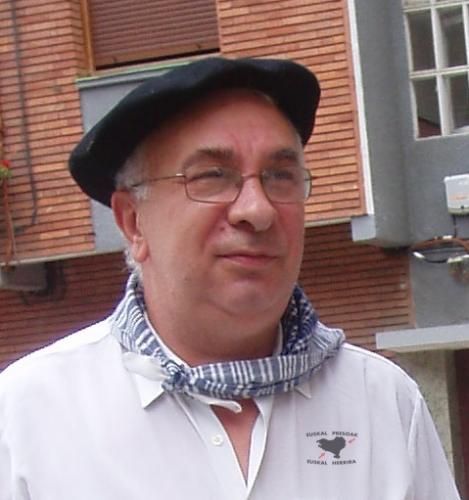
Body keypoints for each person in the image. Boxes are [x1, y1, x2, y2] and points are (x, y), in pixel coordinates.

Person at [0, 58, 461, 499]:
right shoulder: (26, 419)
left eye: (280, 176)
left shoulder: (383, 401)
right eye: (212, 176)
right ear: (133, 221)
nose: (257, 210)